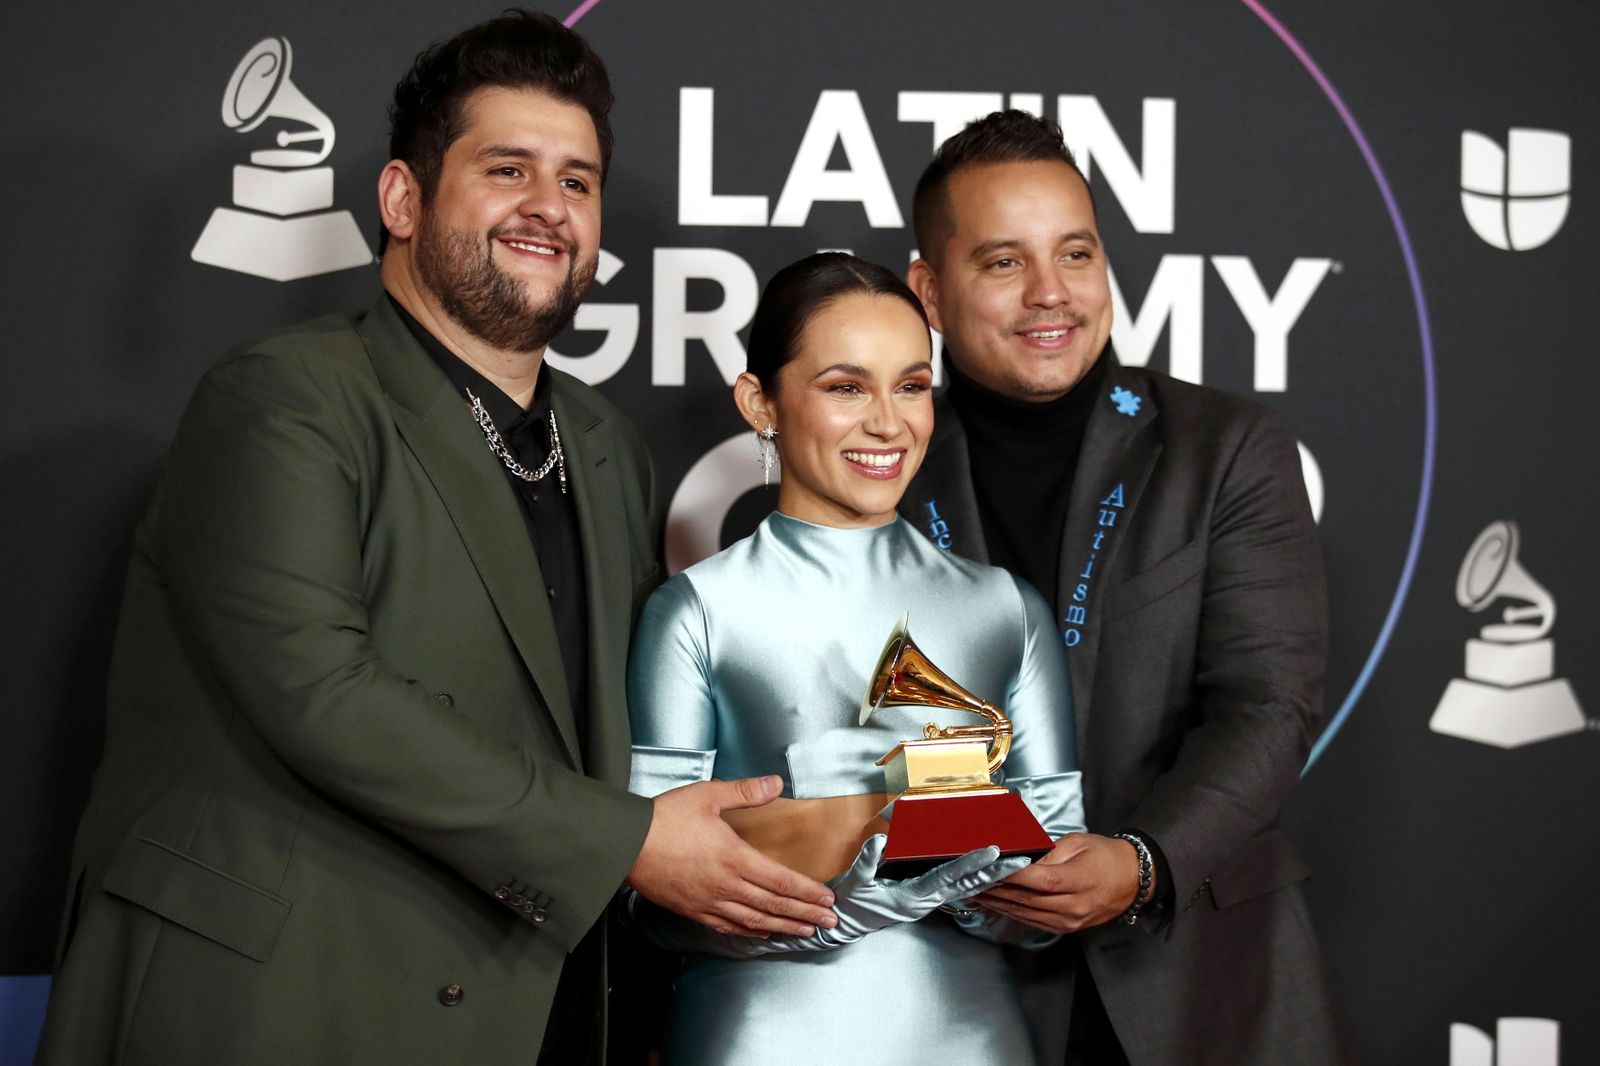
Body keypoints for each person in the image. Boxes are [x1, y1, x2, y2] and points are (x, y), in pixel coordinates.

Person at [34, 12, 836, 1065]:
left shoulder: (605, 445)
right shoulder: (285, 398)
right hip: (285, 1007)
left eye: (578, 181)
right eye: (508, 170)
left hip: (531, 1014)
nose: (548, 206)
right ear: (402, 199)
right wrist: (630, 844)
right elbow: (321, 693)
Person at [901, 111, 1355, 1064]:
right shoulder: (880, 471)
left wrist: (1142, 863)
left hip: (1193, 980)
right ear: (929, 292)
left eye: (1076, 252)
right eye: (1003, 262)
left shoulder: (1226, 450)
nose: (1051, 292)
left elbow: (1269, 707)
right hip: (944, 992)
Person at [620, 252, 1086, 1065]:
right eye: (846, 387)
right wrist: (839, 909)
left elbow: (1055, 885)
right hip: (758, 1042)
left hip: (975, 1042)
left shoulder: (1005, 610)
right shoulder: (696, 613)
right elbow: (647, 902)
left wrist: (967, 890)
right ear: (760, 402)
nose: (888, 423)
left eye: (911, 386)